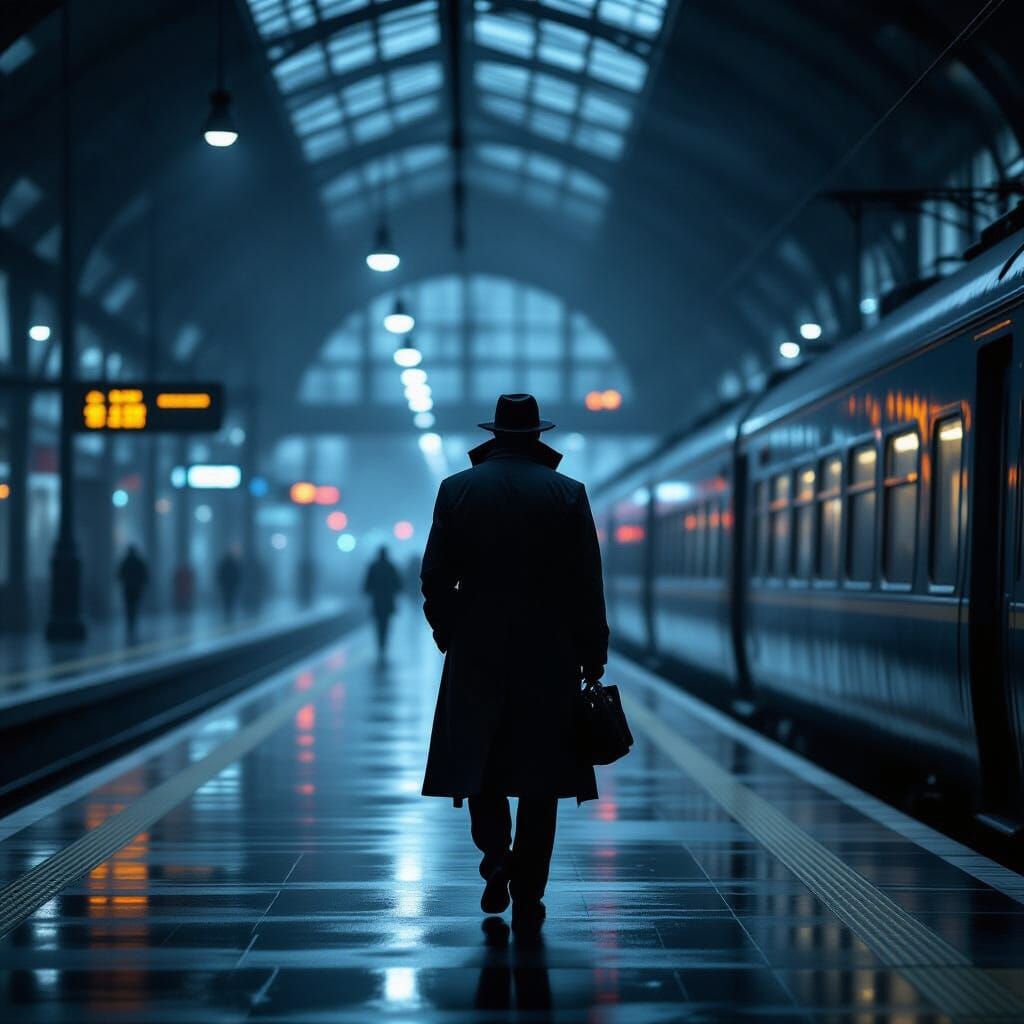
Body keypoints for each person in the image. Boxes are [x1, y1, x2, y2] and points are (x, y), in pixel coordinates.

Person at [420, 393, 609, 931]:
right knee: (541, 777)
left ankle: (495, 857)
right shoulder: (568, 493)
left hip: (476, 651)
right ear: (538, 436)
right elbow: (586, 584)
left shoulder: (456, 490)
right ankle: (529, 890)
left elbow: (434, 577)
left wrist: (451, 633)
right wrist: (591, 652)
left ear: (495, 435)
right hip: (549, 653)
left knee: (480, 764)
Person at [363, 546, 403, 661]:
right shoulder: (391, 567)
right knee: (386, 624)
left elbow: (367, 585)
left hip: (377, 602)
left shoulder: (373, 566)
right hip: (388, 602)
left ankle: (380, 644)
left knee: (378, 624)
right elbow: (398, 584)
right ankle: (383, 644)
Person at [117, 544, 149, 644]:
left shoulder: (125, 561)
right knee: (134, 606)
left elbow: (119, 574)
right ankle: (133, 623)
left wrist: (124, 582)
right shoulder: (139, 562)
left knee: (129, 607)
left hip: (128, 588)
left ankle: (130, 624)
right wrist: (142, 584)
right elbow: (145, 574)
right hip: (136, 588)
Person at [216, 548, 242, 623]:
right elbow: (237, 574)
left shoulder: (224, 564)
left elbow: (220, 575)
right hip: (231, 585)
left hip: (226, 585)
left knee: (226, 599)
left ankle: (227, 611)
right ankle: (230, 611)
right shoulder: (233, 564)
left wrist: (221, 583)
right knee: (230, 599)